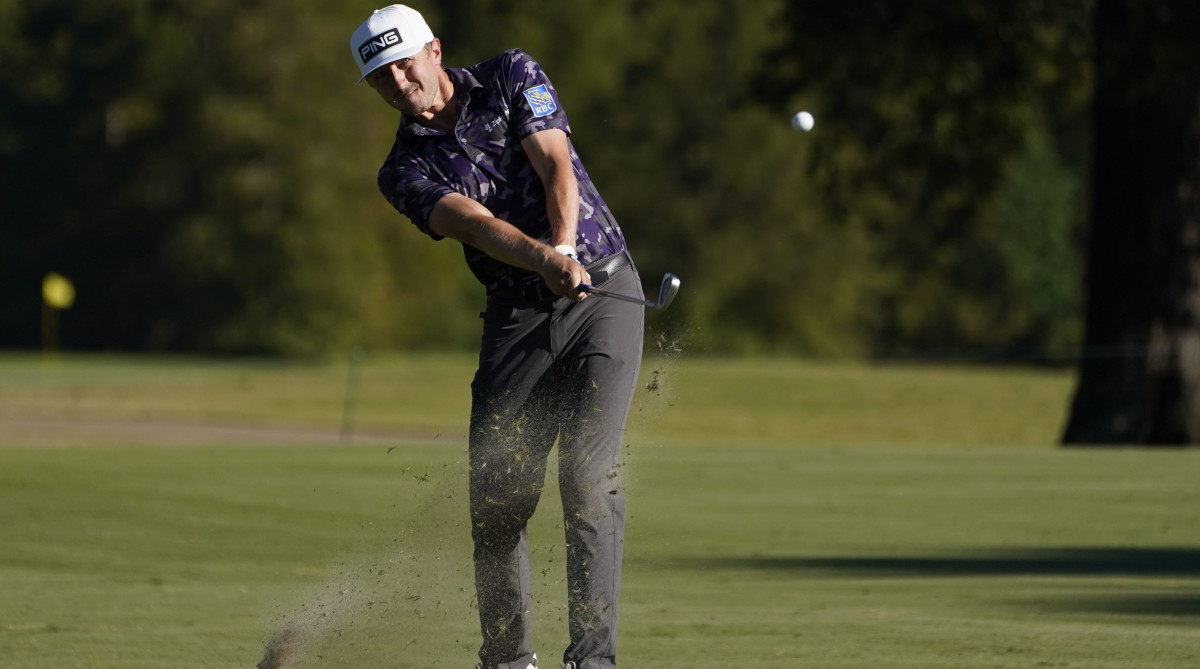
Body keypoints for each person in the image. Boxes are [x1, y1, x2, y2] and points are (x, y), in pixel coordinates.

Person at [350, 6, 644, 669]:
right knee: (498, 498)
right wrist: (542, 260)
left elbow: (556, 167)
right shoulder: (401, 170)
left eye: (403, 64)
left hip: (605, 293)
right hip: (518, 315)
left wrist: (563, 246)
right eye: (381, 77)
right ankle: (509, 660)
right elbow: (474, 225)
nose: (398, 83)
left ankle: (592, 661)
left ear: (434, 51)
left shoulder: (512, 74)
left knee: (588, 480)